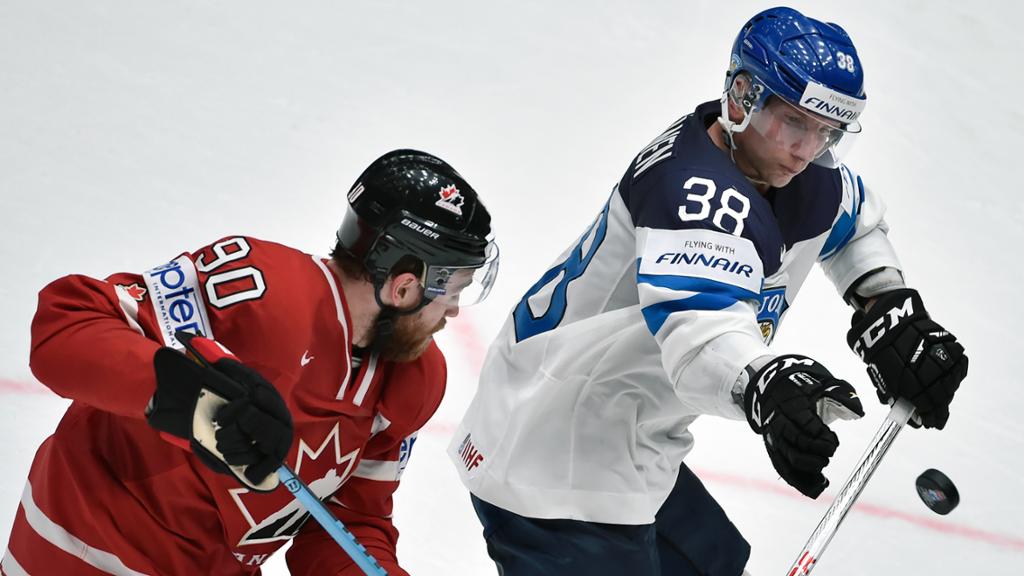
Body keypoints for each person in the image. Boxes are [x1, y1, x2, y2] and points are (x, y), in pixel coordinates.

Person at [449, 7, 968, 576]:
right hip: (552, 455)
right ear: (743, 96)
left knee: (714, 565)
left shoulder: (793, 166)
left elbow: (852, 224)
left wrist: (884, 304)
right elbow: (699, 333)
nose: (808, 148)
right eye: (796, 122)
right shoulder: (692, 193)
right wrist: (765, 384)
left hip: (629, 434)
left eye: (828, 130)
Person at [1, 149, 499, 576]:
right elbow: (65, 327)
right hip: (81, 553)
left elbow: (347, 526)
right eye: (452, 288)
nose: (455, 309)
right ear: (405, 284)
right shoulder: (258, 292)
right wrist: (190, 399)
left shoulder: (413, 382)